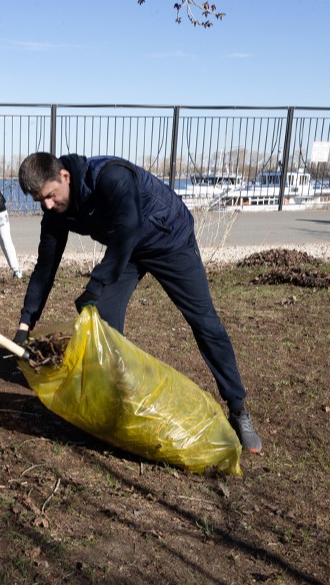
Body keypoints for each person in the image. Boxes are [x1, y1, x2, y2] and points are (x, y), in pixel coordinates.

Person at [13, 152, 262, 453]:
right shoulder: (55, 211)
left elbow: (129, 226)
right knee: (102, 314)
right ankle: (117, 404)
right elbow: (45, 267)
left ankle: (238, 410)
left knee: (204, 320)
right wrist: (26, 323)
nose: (48, 206)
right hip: (126, 250)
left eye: (50, 196)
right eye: (41, 201)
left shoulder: (110, 176)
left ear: (64, 176)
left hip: (168, 237)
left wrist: (96, 282)